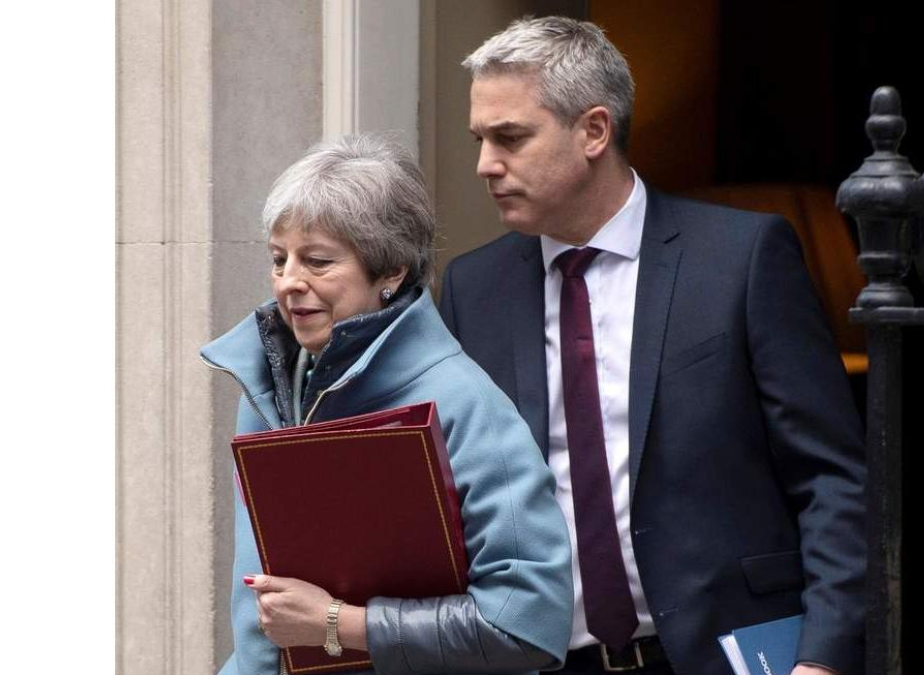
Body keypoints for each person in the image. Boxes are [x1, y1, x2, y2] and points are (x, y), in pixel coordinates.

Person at [439, 17, 866, 675]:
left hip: (726, 656)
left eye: (510, 138)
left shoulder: (741, 259)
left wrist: (823, 657)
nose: (485, 164)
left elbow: (831, 477)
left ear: (594, 131)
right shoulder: (474, 288)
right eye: (480, 139)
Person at [200, 133, 573, 675]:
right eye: (279, 260)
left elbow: (527, 623)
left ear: (392, 271)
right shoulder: (265, 388)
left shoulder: (466, 406)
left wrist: (336, 624)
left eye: (319, 261)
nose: (289, 283)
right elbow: (261, 618)